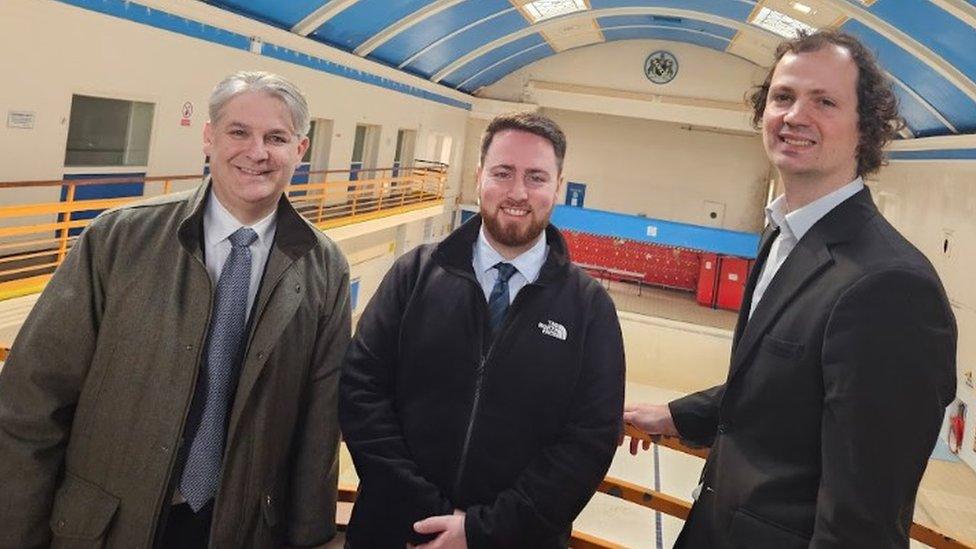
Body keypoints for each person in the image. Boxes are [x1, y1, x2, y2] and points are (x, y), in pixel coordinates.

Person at [623, 31, 956, 548]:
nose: (795, 115)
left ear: (865, 128)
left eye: (824, 101)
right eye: (783, 97)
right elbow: (778, 387)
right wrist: (676, 415)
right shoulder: (782, 236)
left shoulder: (891, 286)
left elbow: (862, 520)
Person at [0, 71, 351, 548]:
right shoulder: (119, 240)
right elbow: (32, 402)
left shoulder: (324, 267)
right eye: (238, 132)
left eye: (277, 138)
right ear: (208, 138)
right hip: (106, 525)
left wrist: (311, 539)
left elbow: (320, 426)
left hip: (240, 530)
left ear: (300, 150)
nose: (257, 152)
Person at [340, 112, 625, 547]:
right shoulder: (414, 275)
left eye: (536, 177)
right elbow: (362, 391)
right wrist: (426, 512)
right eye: (503, 173)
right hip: (396, 531)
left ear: (558, 187)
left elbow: (589, 441)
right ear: (478, 178)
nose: (517, 192)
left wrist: (479, 531)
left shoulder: (590, 310)